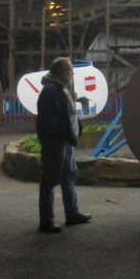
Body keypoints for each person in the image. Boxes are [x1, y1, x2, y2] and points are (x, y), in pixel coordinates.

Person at [36, 57, 92, 234]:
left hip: (65, 141)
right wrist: (56, 139)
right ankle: (46, 221)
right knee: (50, 180)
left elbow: (69, 113)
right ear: (59, 71)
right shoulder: (51, 90)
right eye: (69, 70)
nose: (72, 73)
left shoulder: (62, 87)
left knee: (69, 175)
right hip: (57, 142)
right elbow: (48, 120)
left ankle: (72, 213)